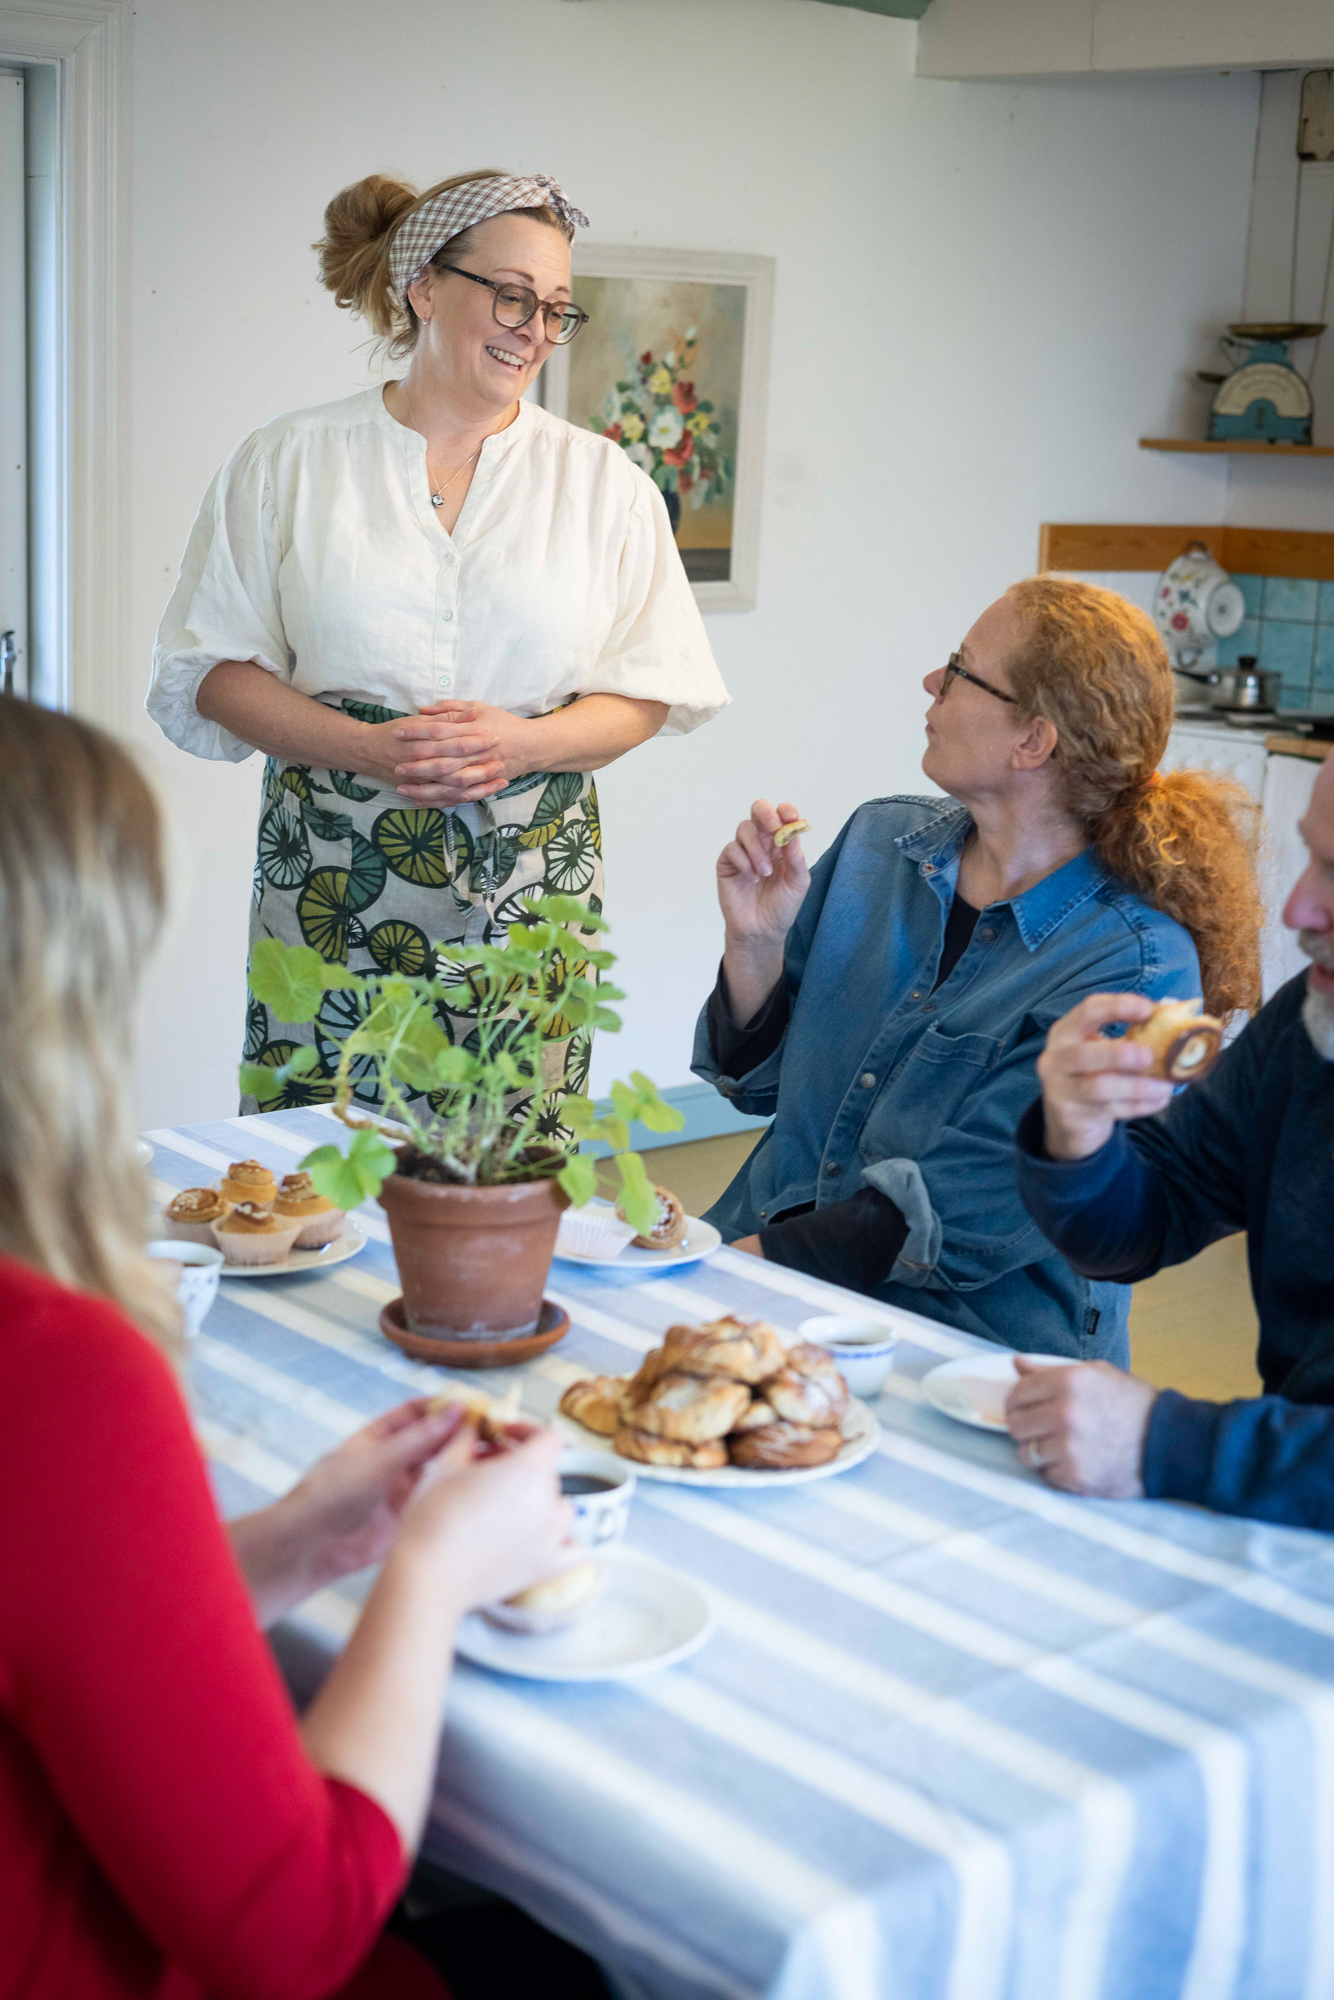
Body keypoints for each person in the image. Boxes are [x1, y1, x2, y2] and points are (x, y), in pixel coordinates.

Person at [0, 693, 574, 1998]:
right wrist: (431, 1576)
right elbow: (292, 1930)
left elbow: (51, 1627)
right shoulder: (56, 1374)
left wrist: (288, 1547)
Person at [146, 168, 728, 1114]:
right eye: (510, 295)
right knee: (317, 1171)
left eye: (556, 309)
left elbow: (651, 687)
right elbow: (209, 671)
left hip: (529, 890)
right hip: (334, 874)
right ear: (423, 286)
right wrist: (367, 748)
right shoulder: (288, 463)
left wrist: (525, 742)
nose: (534, 329)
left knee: (509, 1178)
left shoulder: (602, 484)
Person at [692, 576, 1263, 1360]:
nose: (933, 682)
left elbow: (948, 1212)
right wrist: (754, 944)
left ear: (1034, 740)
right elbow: (755, 1089)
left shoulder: (1133, 961)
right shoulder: (876, 842)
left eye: (960, 669)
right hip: (770, 1267)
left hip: (965, 1346)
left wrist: (709, 1282)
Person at [1005, 750, 1334, 1526]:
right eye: (1313, 858)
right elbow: (1145, 1223)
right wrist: (1079, 1141)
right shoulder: (1307, 1027)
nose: (1296, 911)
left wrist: (1163, 1441)